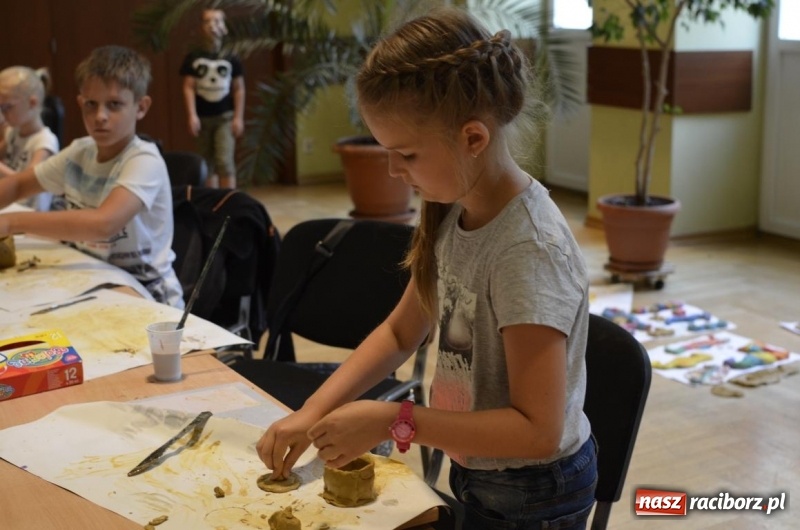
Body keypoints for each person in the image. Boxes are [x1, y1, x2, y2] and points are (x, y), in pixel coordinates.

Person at [256, 6, 596, 529]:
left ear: (474, 138)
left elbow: (537, 430)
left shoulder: (528, 250)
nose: (393, 170)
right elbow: (400, 331)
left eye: (407, 155)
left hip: (533, 490)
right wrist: (311, 413)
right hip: (476, 462)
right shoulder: (452, 203)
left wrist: (396, 419)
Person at [0, 45, 184, 308]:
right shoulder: (79, 152)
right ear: (80, 103)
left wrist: (10, 223)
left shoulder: (144, 160)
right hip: (95, 279)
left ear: (141, 107)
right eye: (91, 104)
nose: (100, 116)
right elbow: (19, 185)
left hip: (147, 293)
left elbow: (103, 224)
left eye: (114, 105)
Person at [180, 7, 245, 189]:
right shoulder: (193, 57)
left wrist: (238, 117)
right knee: (205, 163)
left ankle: (230, 204)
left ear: (224, 27)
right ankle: (212, 204)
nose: (212, 25)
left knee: (224, 161)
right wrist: (192, 115)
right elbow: (188, 87)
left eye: (217, 21)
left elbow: (239, 88)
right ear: (201, 27)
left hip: (225, 116)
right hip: (202, 117)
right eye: (207, 21)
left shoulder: (232, 56)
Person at [0, 66, 60, 211]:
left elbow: (29, 182)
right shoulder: (12, 132)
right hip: (12, 205)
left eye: (7, 107)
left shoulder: (45, 141)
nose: (3, 113)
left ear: (32, 103)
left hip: (31, 212)